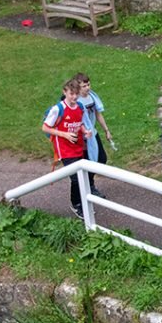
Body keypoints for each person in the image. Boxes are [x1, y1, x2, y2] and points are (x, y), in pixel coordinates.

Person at [42, 77, 92, 218]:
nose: (74, 97)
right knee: (76, 178)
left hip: (78, 146)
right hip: (64, 149)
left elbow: (79, 123)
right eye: (71, 94)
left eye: (76, 94)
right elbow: (45, 127)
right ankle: (76, 204)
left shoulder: (80, 107)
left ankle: (83, 201)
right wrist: (64, 134)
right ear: (65, 92)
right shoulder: (58, 109)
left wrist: (85, 131)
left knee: (84, 174)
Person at [75, 72, 112, 199]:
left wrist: (106, 130)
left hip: (93, 133)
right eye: (84, 86)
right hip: (83, 137)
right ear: (78, 87)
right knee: (88, 162)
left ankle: (88, 184)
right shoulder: (76, 101)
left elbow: (98, 114)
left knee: (101, 159)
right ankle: (88, 186)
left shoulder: (92, 97)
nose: (87, 88)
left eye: (88, 85)